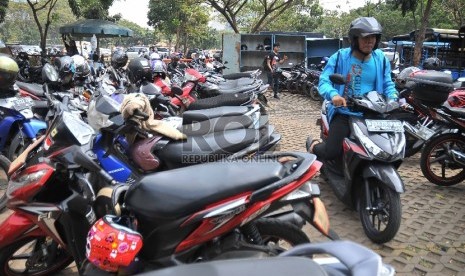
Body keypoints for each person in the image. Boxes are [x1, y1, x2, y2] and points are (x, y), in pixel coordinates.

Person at [307, 17, 398, 164]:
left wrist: (393, 97)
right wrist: (334, 94)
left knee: (388, 148)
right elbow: (324, 80)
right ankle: (314, 146)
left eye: (373, 37)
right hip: (345, 112)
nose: (370, 41)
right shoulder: (340, 57)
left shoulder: (380, 58)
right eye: (365, 37)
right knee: (332, 152)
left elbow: (388, 83)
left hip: (372, 112)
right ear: (355, 39)